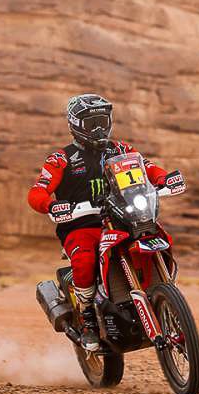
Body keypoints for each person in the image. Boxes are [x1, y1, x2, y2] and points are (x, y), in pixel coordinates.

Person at [27, 93, 180, 351]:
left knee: (158, 235)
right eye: (92, 123)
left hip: (123, 217)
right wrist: (51, 205)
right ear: (76, 125)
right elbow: (37, 191)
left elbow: (147, 167)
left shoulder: (121, 151)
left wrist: (163, 179)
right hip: (81, 223)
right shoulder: (61, 158)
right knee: (85, 258)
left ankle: (165, 293)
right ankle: (87, 316)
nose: (99, 129)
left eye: (103, 121)